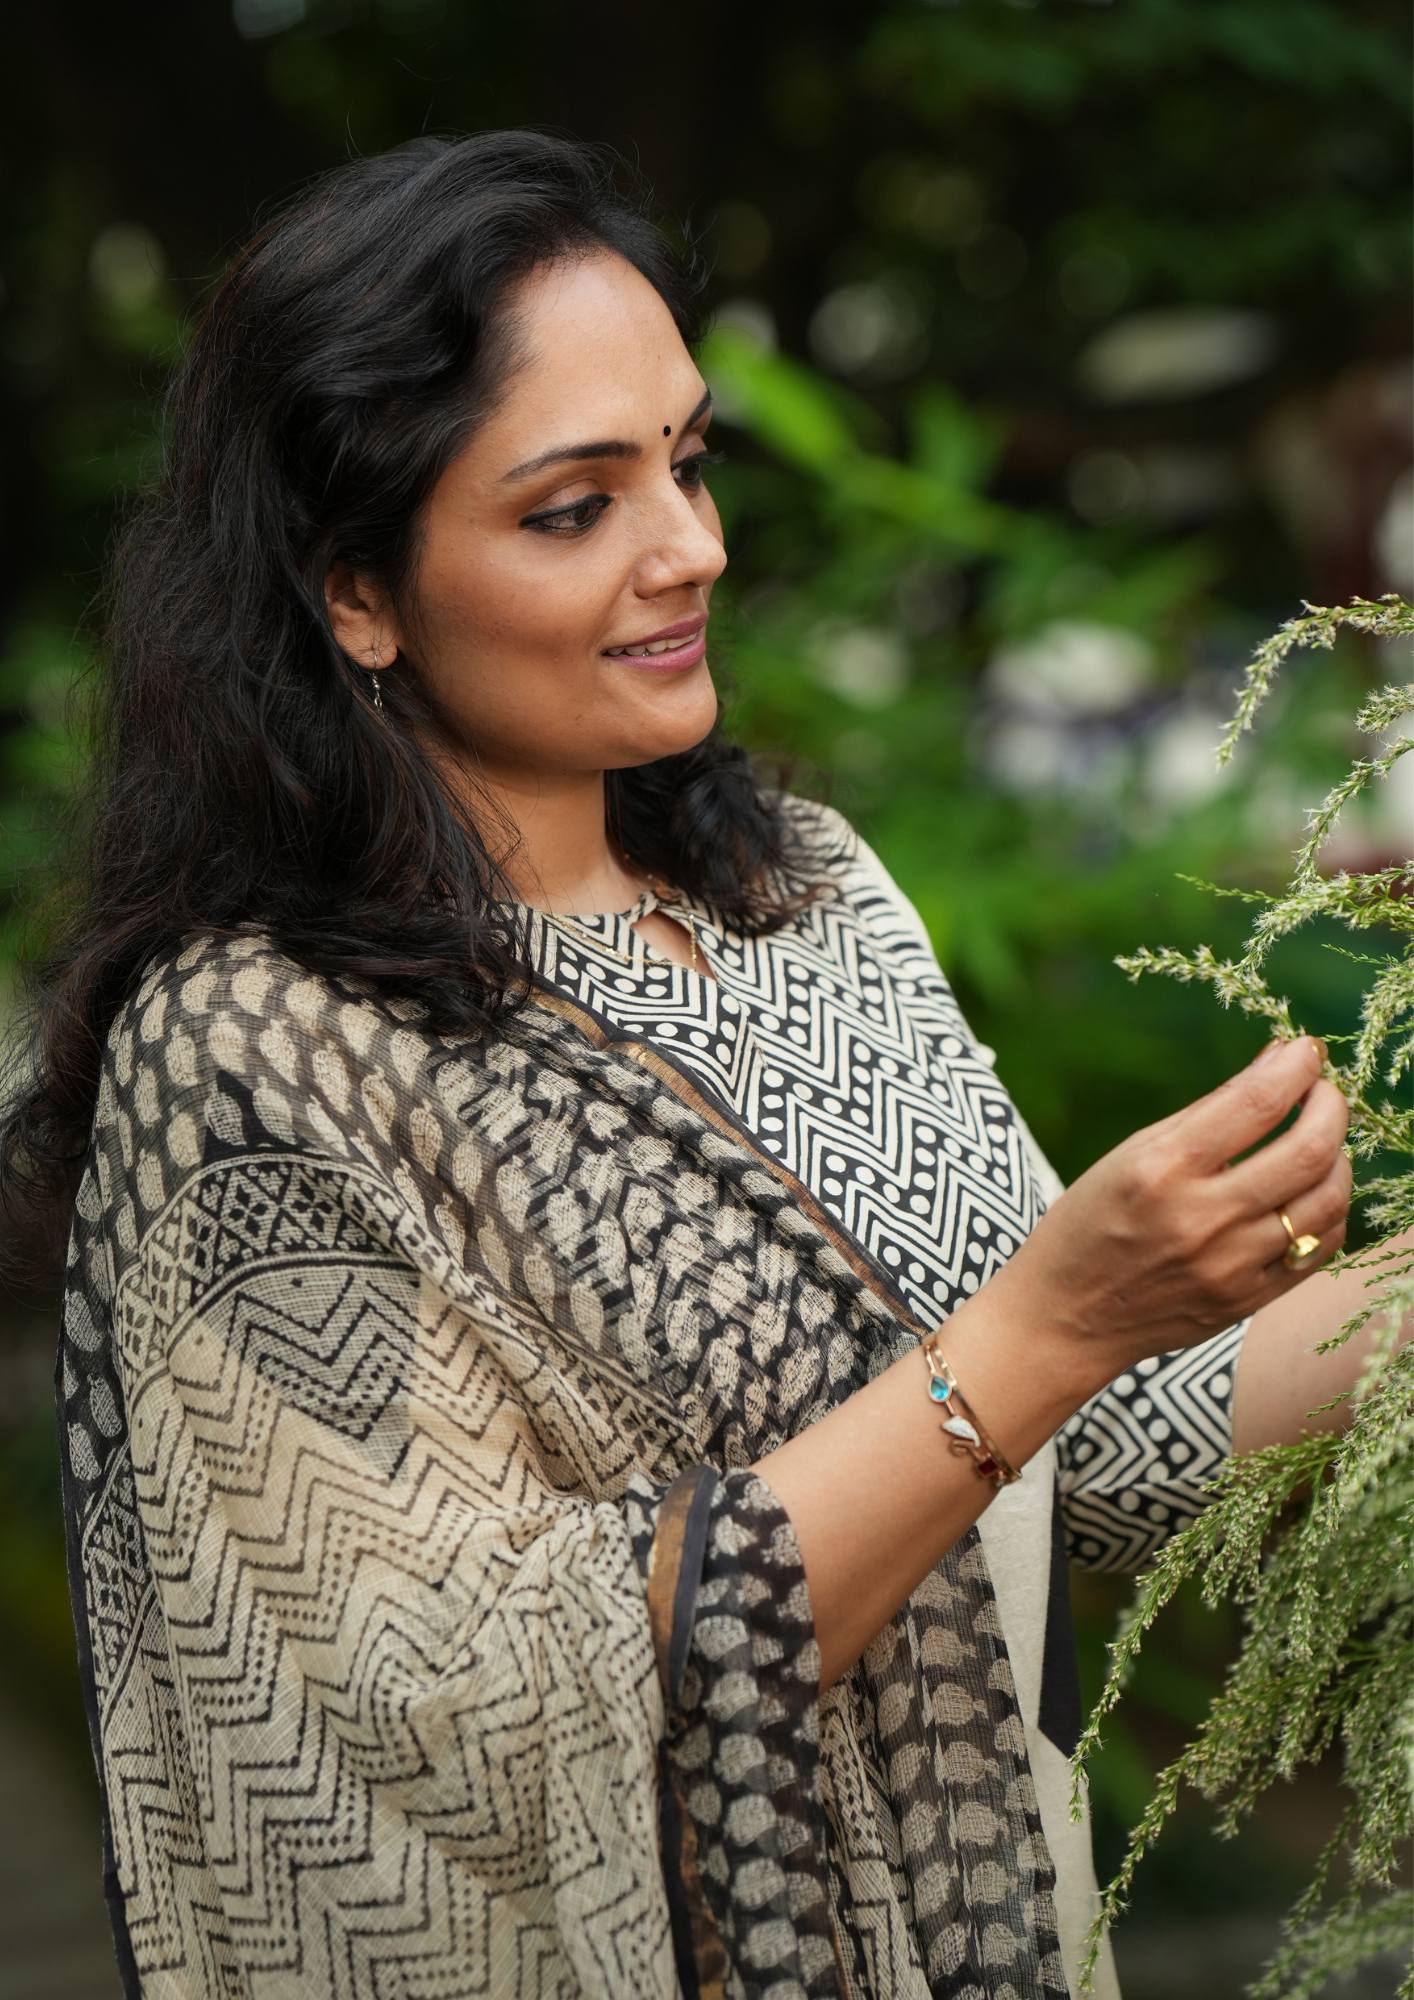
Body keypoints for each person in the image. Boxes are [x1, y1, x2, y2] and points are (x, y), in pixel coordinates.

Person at [2, 133, 1390, 2000]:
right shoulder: (254, 1052)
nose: (692, 549)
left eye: (686, 457)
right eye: (574, 506)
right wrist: (1049, 1328)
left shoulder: (799, 893)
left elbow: (1104, 1448)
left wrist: (1122, 1316)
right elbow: (452, 1717)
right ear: (355, 593)